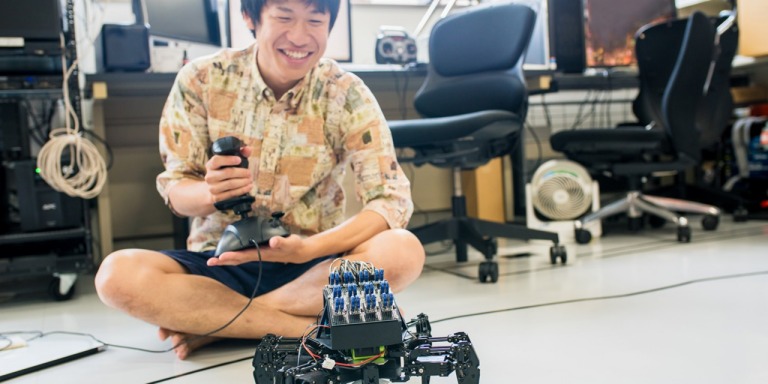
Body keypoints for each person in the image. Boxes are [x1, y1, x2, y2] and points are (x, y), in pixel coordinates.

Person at [94, 0, 425, 360]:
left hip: (314, 268)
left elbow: (390, 201)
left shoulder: (345, 91)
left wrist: (310, 249)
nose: (299, 36)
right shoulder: (202, 78)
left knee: (403, 249)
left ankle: (217, 324)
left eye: (315, 20)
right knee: (116, 275)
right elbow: (176, 189)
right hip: (218, 264)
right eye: (284, 17)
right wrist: (210, 192)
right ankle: (311, 328)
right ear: (250, 18)